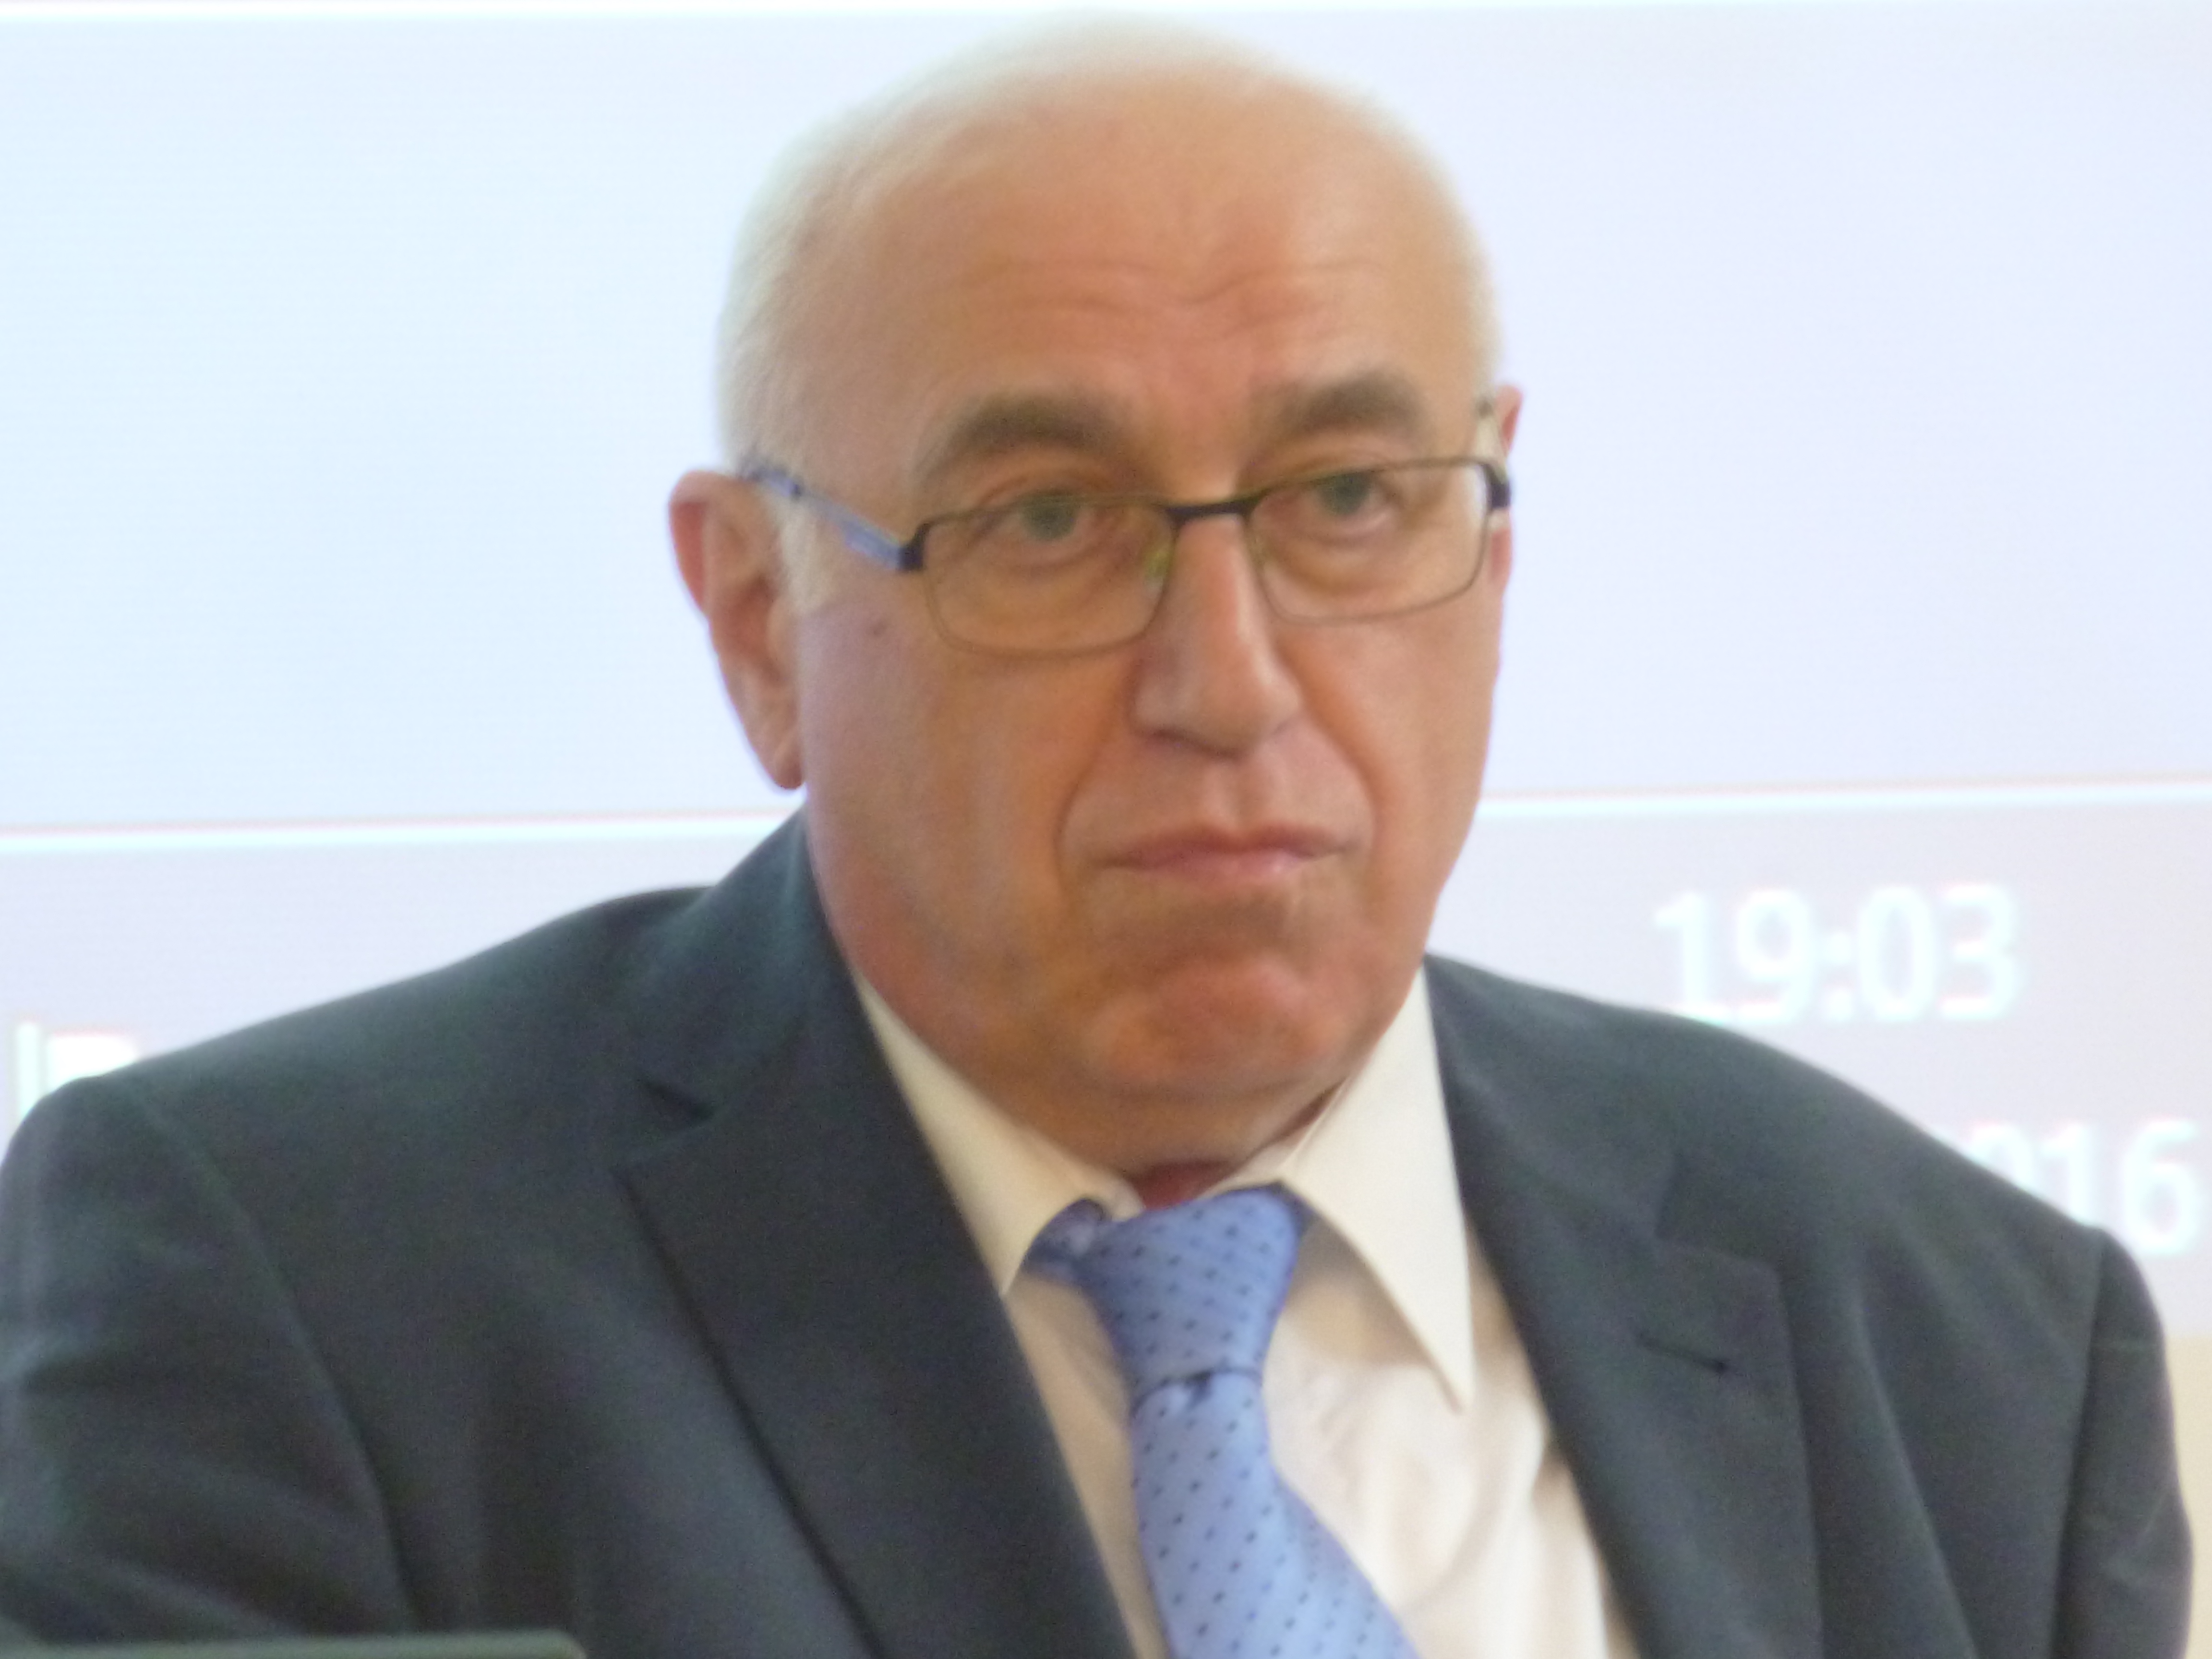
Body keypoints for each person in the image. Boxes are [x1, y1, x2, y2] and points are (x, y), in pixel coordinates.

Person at [0, 21, 2189, 1659]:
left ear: (1496, 536)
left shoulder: (1964, 1341)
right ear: (757, 617)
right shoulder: (292, 1277)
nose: (1229, 679)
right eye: (1049, 523)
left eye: (1351, 500)